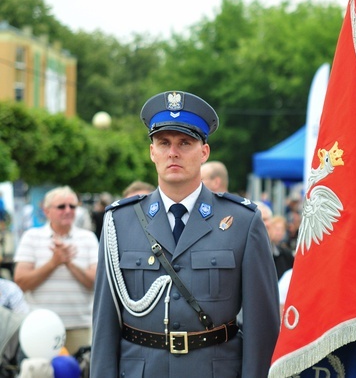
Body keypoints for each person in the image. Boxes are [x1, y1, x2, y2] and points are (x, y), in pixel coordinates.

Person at [90, 91, 279, 377]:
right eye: (163, 143)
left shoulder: (243, 221)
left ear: (204, 151)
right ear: (152, 151)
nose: (173, 152)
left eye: (185, 143)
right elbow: (104, 322)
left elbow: (261, 326)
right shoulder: (120, 221)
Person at [13, 186, 99, 354]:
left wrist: (68, 263)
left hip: (79, 326)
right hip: (40, 326)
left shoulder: (88, 238)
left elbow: (96, 282)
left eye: (72, 206)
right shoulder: (31, 237)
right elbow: (21, 282)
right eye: (61, 206)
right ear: (47, 211)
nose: (68, 211)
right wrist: (54, 263)